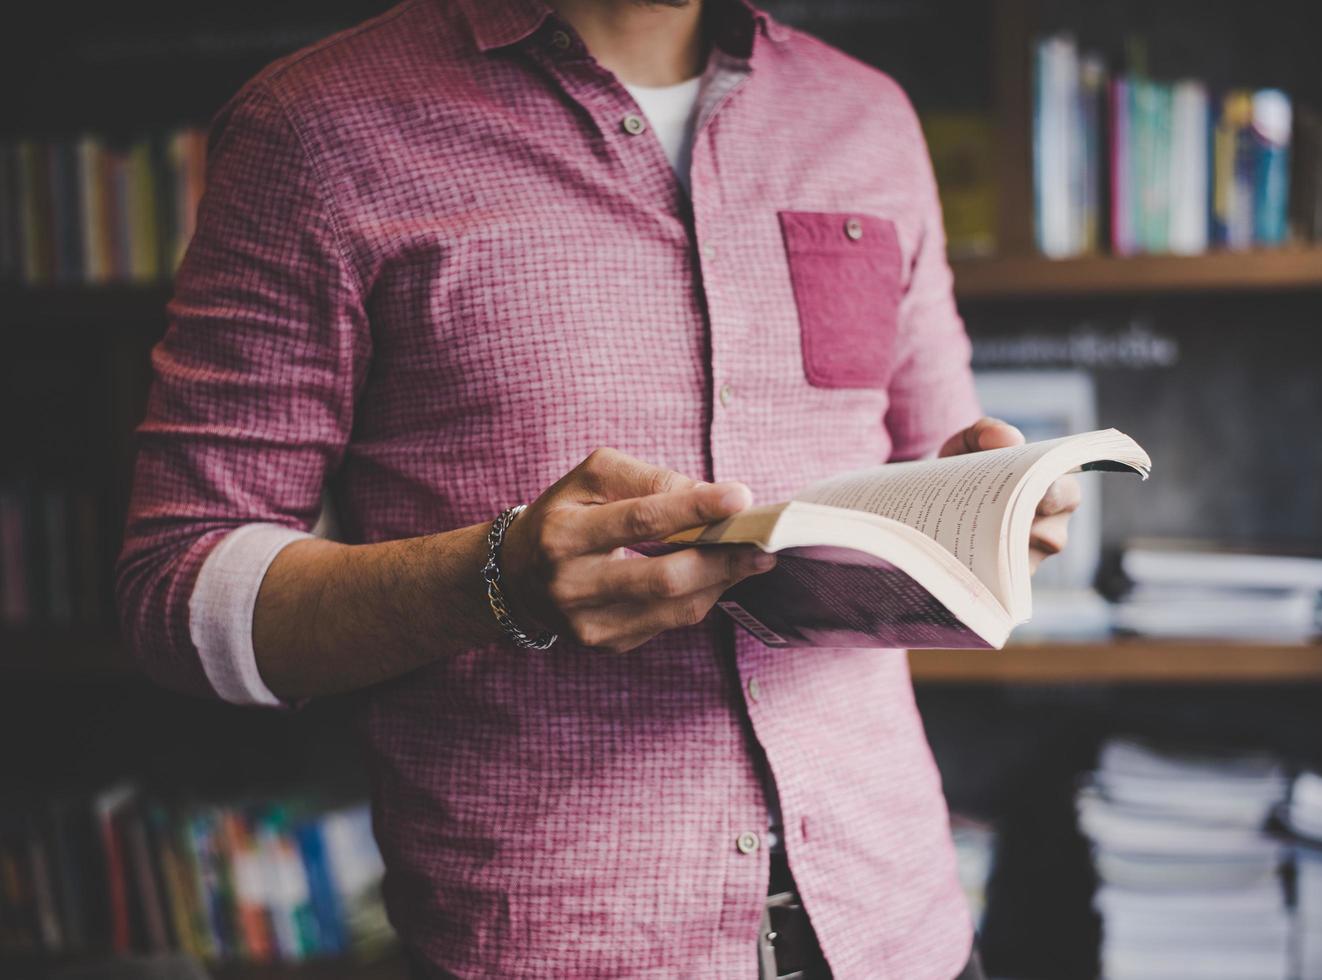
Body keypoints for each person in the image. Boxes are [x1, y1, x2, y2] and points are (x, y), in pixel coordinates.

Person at [115, 1, 1081, 977]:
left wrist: (987, 504)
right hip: (557, 943)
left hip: (897, 919)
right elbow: (174, 584)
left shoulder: (864, 115)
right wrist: (492, 582)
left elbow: (930, 457)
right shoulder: (314, 126)